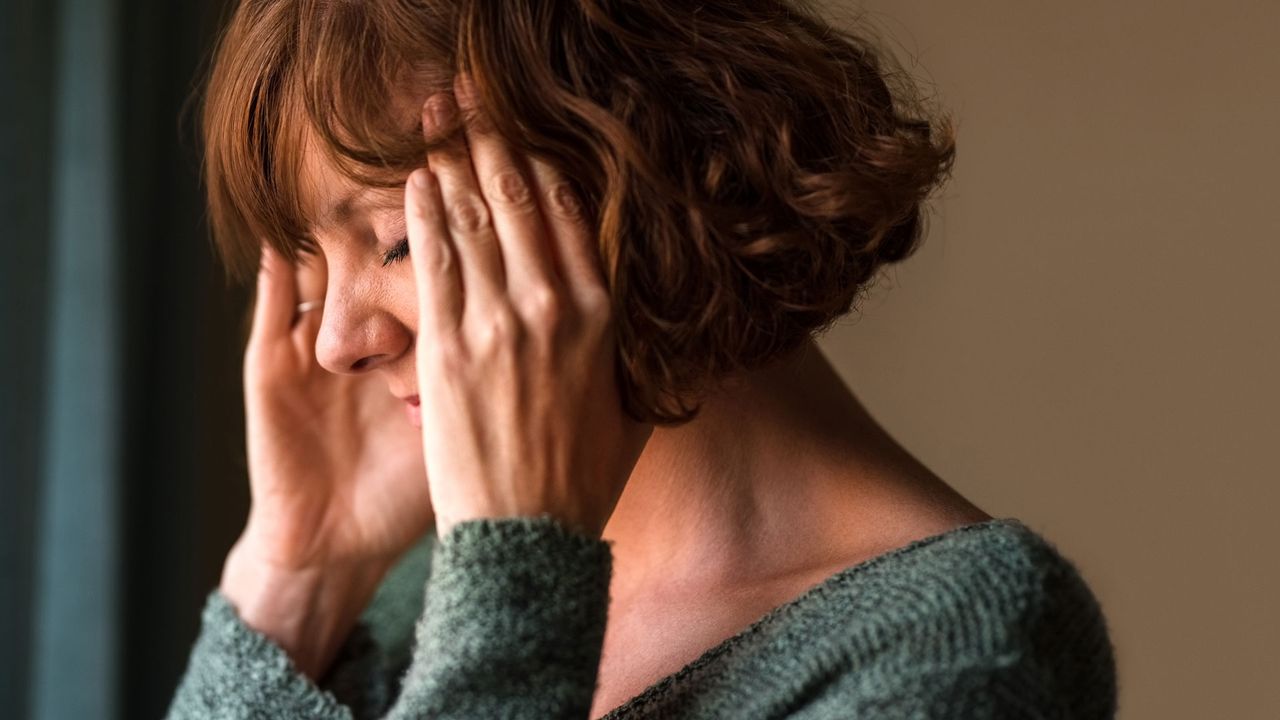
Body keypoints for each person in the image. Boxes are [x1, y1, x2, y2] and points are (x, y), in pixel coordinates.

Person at [168, 1, 1117, 718]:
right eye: (306, 268)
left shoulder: (964, 644)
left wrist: (514, 587)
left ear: (641, 171)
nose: (335, 341)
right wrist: (295, 581)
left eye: (396, 240)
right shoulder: (420, 598)